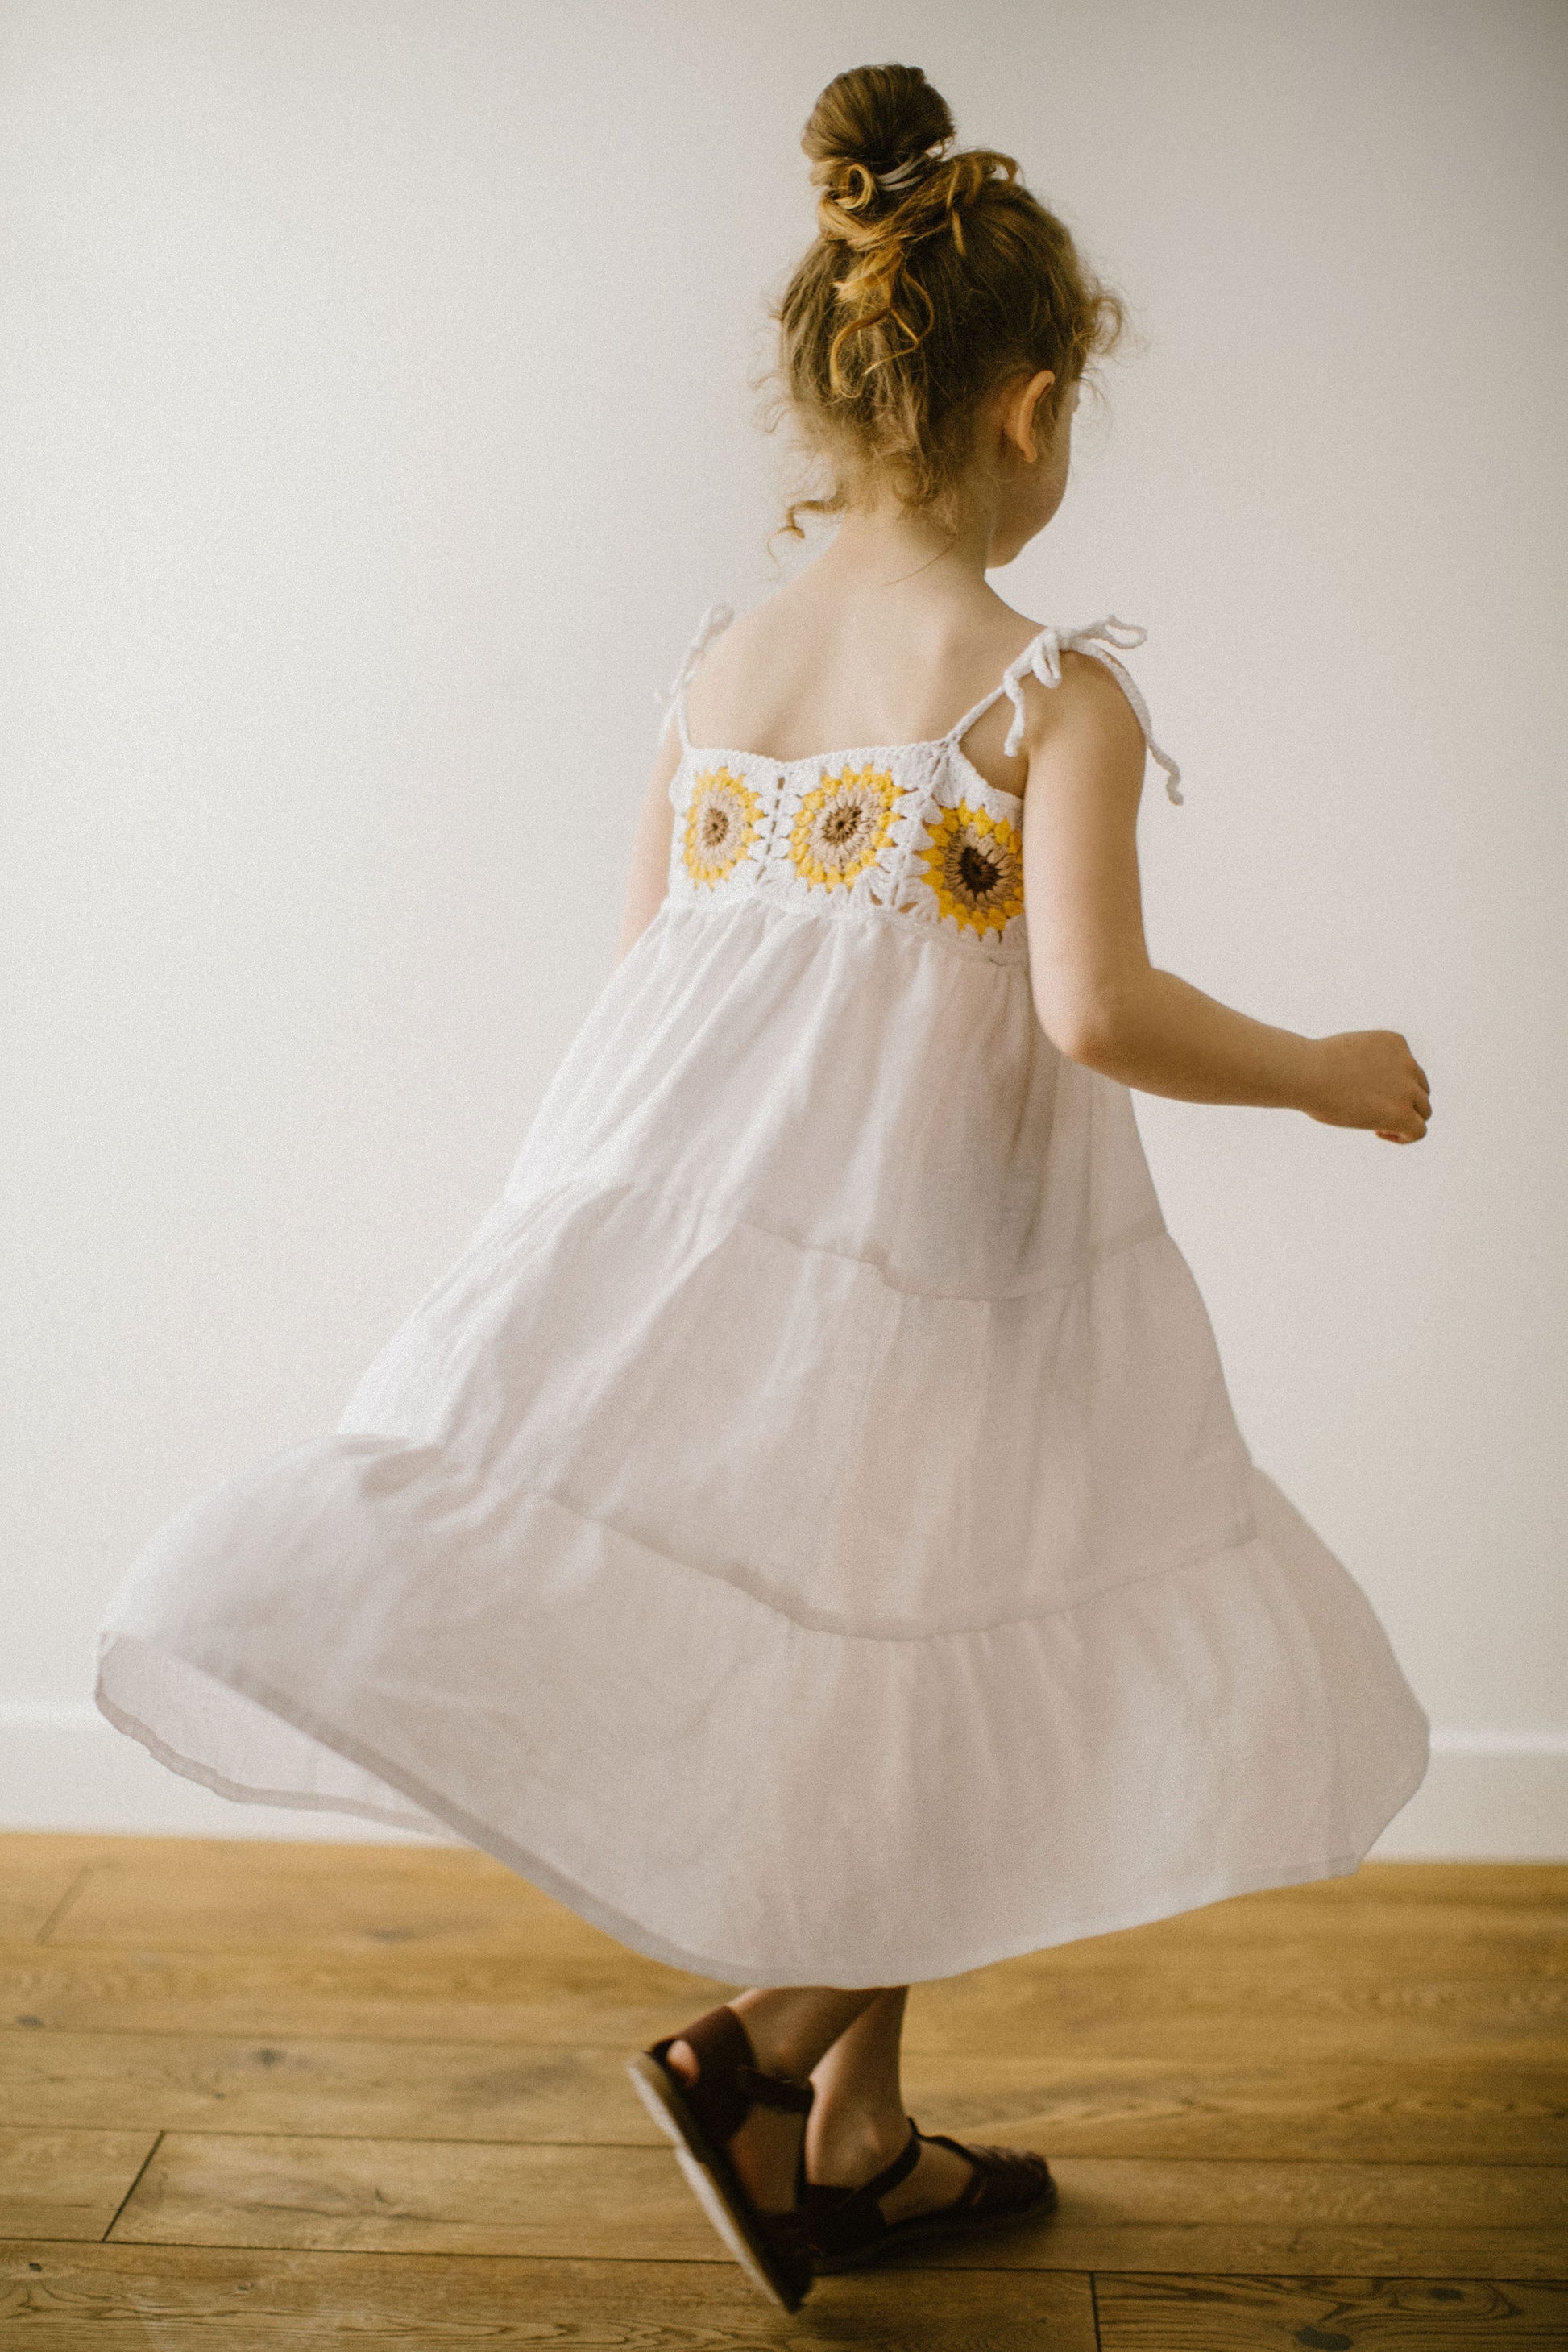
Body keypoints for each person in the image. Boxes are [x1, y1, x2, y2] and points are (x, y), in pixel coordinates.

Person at [96, 60, 1431, 2316]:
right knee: (941, 1629)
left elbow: (652, 980)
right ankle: (765, 2042)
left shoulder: (719, 668)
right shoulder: (1042, 694)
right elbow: (1092, 1010)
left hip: (741, 1239)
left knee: (883, 1656)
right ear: (1024, 408)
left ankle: (863, 2139)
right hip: (960, 1254)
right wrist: (1323, 1074)